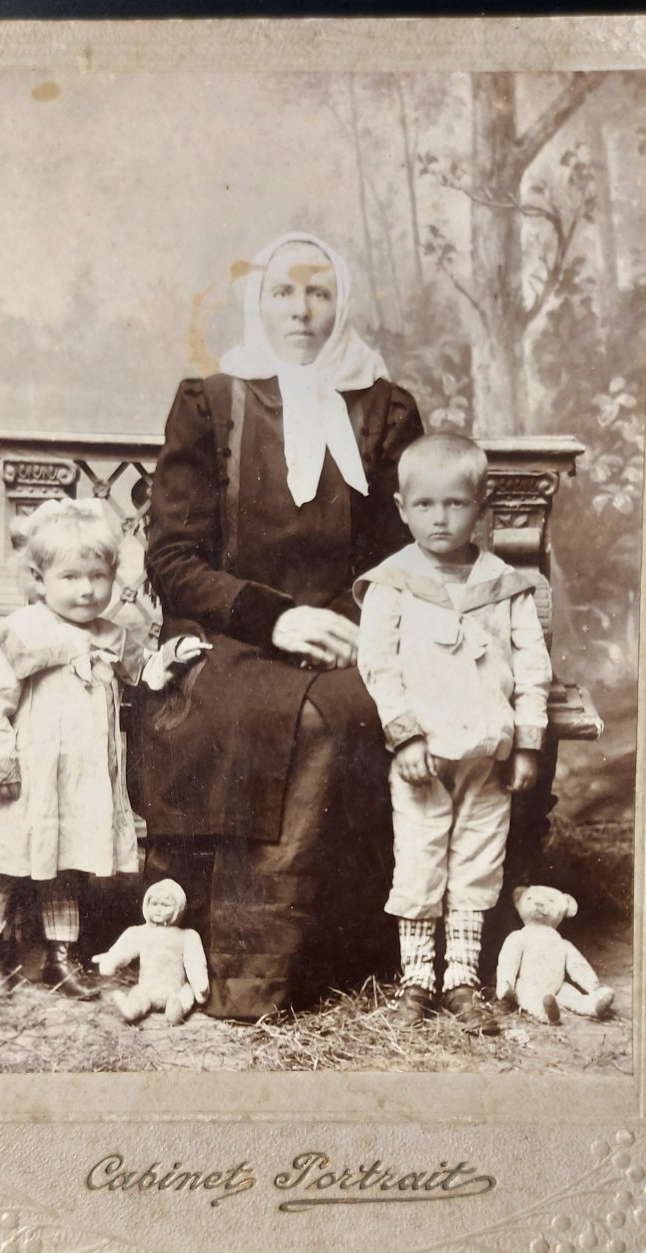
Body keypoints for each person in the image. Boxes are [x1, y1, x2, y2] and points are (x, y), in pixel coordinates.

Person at [126, 232, 423, 1019]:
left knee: (336, 712)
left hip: (352, 630)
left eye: (318, 292)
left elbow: (404, 555)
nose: (301, 310)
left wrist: (363, 623)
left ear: (341, 303)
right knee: (276, 714)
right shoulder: (210, 402)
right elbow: (174, 557)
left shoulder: (386, 410)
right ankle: (242, 972)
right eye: (284, 292)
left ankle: (314, 965)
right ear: (258, 301)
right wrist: (276, 618)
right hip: (230, 633)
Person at [0, 498, 207, 1002]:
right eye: (71, 577)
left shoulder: (111, 636)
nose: (87, 590)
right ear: (39, 580)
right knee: (1, 865)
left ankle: (62, 956)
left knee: (64, 866)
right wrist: (0, 761)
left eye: (98, 576)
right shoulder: (21, 633)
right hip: (26, 779)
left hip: (78, 781)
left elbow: (143, 672)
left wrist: (171, 656)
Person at [355, 434, 553, 1032]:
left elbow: (532, 668)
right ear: (401, 508)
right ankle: (416, 979)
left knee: (476, 862)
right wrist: (406, 736)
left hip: (488, 757)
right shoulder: (394, 583)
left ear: (481, 506)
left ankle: (461, 979)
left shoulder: (505, 585)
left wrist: (527, 742)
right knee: (419, 861)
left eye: (455, 504)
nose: (439, 518)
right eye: (424, 505)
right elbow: (378, 665)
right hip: (423, 758)